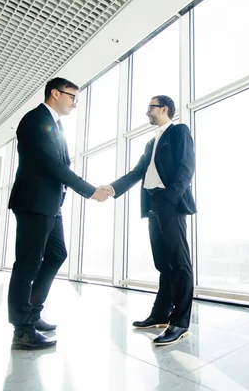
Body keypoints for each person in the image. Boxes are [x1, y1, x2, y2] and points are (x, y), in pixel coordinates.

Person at [7, 77, 109, 350]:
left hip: (51, 204)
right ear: (55, 93)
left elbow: (58, 165)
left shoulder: (56, 125)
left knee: (57, 254)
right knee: (27, 264)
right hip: (34, 203)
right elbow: (53, 165)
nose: (75, 104)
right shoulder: (35, 120)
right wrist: (90, 190)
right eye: (72, 97)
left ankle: (32, 312)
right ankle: (22, 329)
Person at [100, 95, 196, 346]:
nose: (147, 112)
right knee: (163, 263)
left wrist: (171, 199)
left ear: (164, 109)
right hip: (153, 204)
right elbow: (136, 173)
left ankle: (180, 323)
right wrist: (111, 188)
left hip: (170, 204)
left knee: (180, 263)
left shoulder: (179, 132)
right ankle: (160, 315)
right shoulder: (150, 143)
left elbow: (187, 168)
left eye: (150, 108)